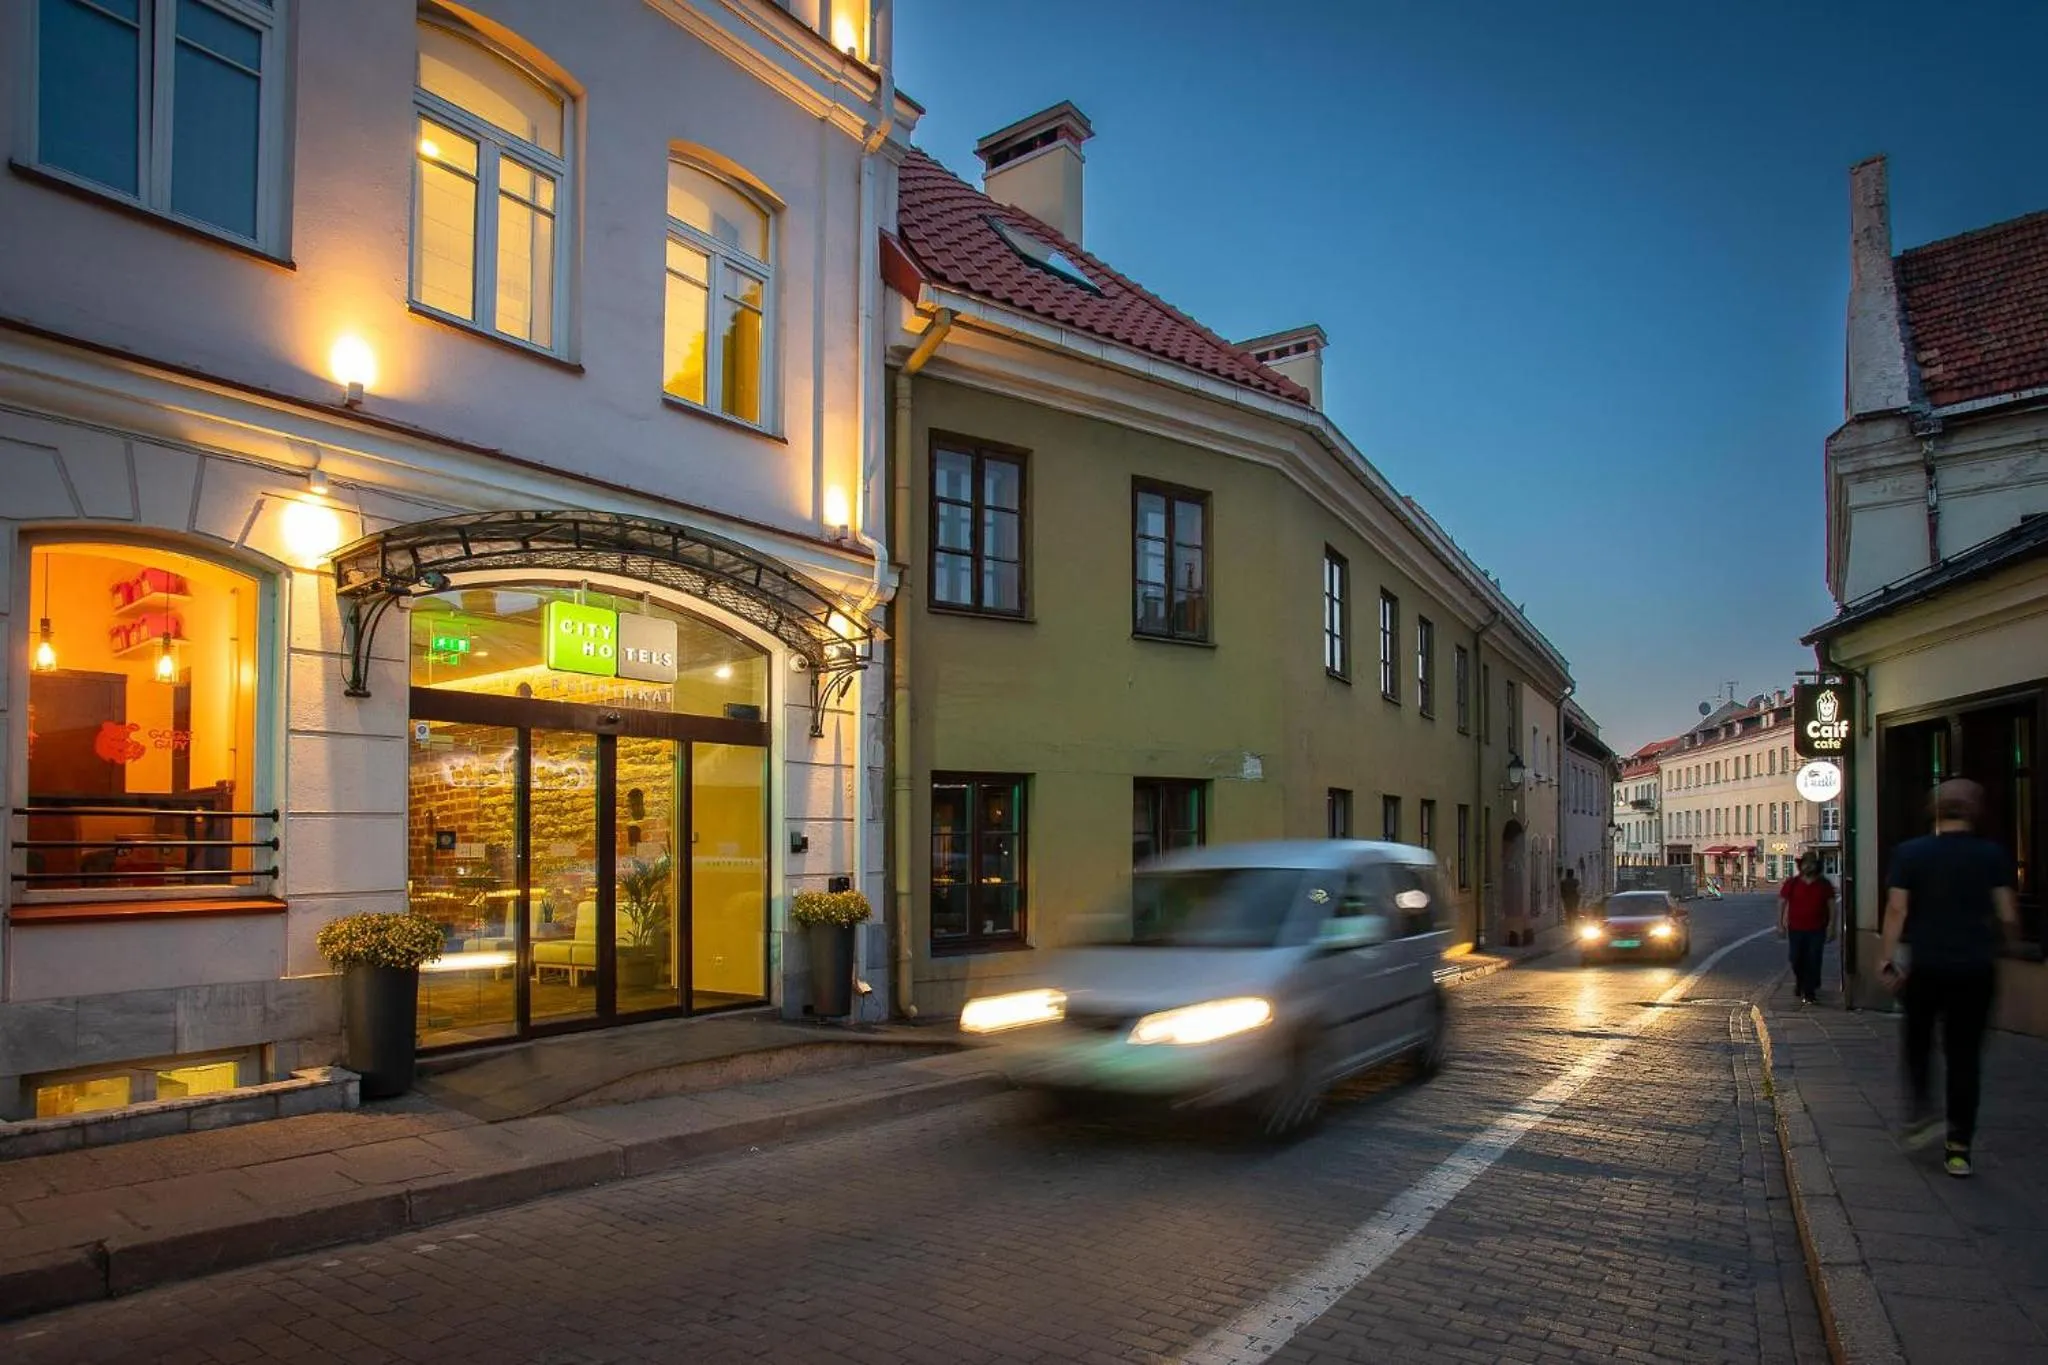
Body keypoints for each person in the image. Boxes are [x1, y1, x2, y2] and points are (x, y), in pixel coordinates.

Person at [1880, 778, 2020, 1178]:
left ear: (1935, 811)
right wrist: (2009, 948)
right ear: (1973, 812)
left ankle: (1922, 1114)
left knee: (1918, 1044)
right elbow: (2008, 913)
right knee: (1965, 1057)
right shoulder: (1992, 855)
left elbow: (1896, 910)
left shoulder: (1910, 853)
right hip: (1976, 970)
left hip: (1926, 967)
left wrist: (1887, 958)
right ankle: (1959, 1148)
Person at [1777, 853, 1836, 1005]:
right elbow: (1782, 902)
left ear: (1817, 865)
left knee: (1813, 959)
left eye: (1811, 863)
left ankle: (1809, 992)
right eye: (1805, 863)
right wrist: (1780, 923)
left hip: (1817, 929)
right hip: (1796, 928)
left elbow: (1832, 906)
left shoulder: (1824, 884)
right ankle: (1801, 981)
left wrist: (1832, 926)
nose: (1808, 866)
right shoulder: (1793, 883)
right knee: (1795, 958)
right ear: (1801, 866)